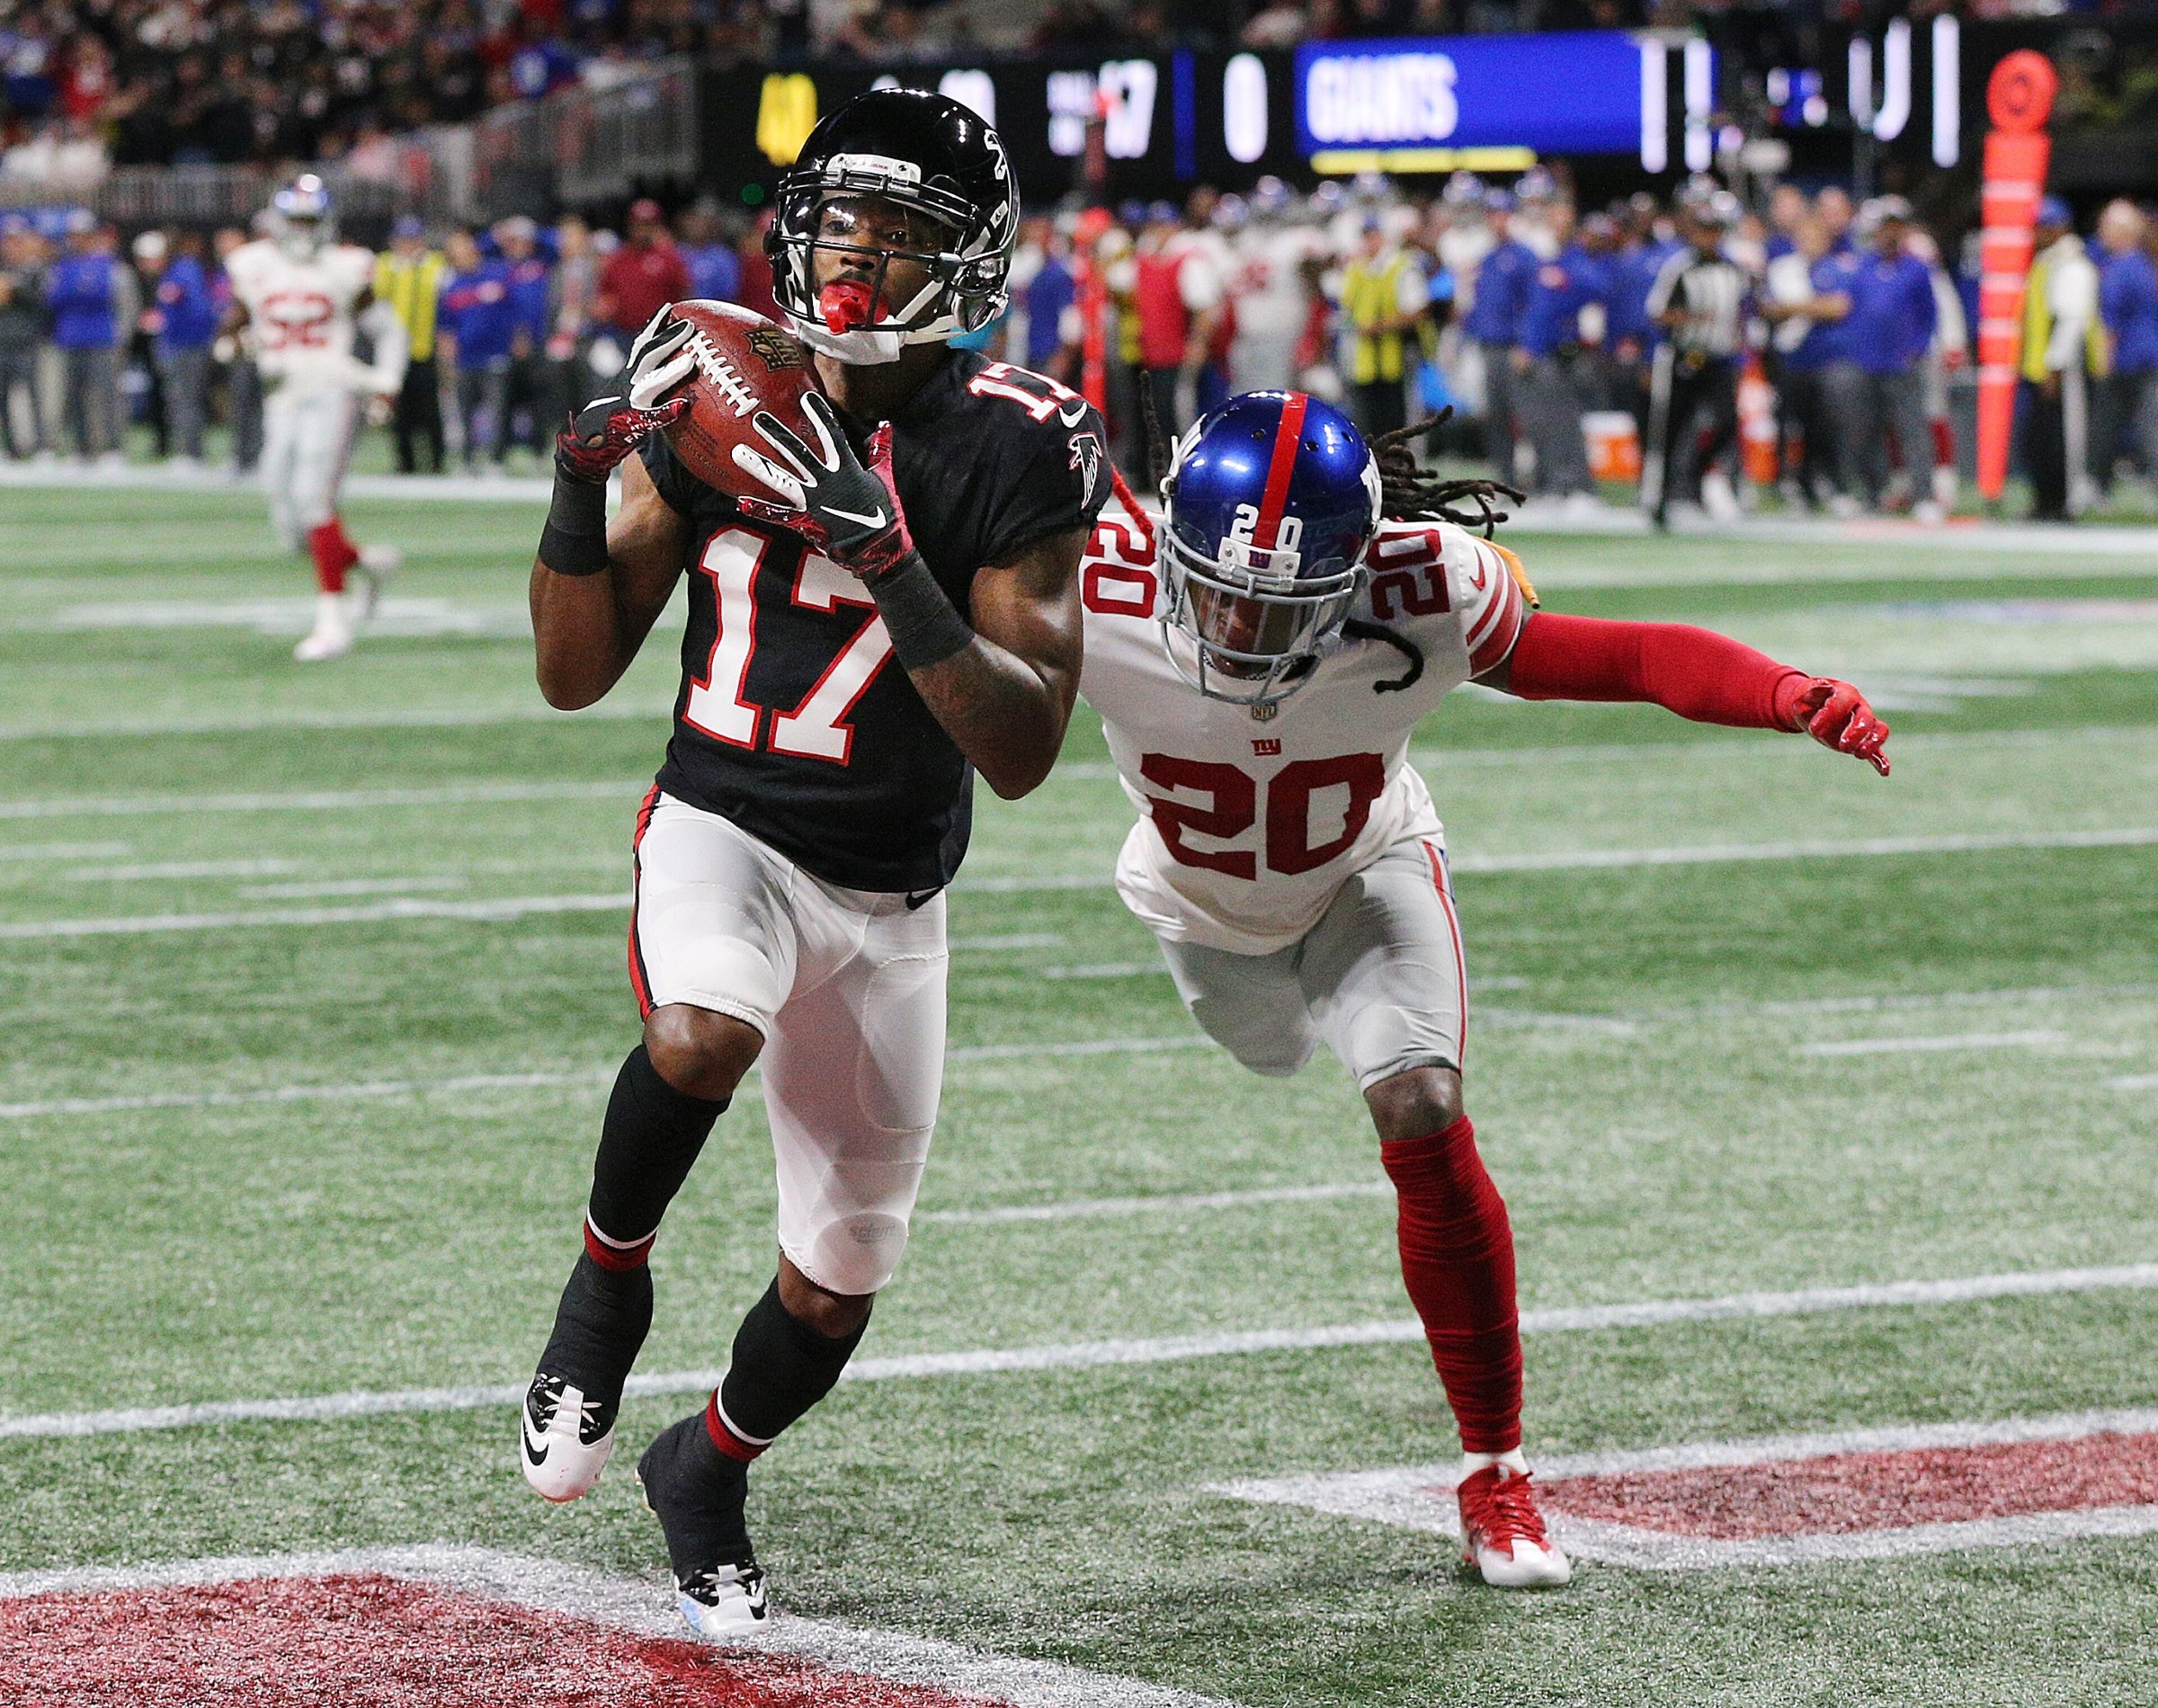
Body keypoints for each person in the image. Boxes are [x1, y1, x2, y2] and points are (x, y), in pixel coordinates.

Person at [1077, 390, 1890, 1588]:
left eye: (1286, 604)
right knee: (1268, 1050)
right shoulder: (1086, 583)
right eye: (1223, 591)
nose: (1244, 627)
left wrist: (1786, 692)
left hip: (1364, 870)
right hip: (1197, 910)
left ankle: (1497, 1471)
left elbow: (1626, 657)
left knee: (1422, 1104)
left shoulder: (1425, 590)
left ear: (1353, 573)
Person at [516, 88, 1108, 1641]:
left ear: (968, 260)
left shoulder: (1020, 438)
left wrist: (889, 557)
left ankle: (703, 1472)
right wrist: (579, 484)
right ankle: (605, 1288)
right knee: (700, 1031)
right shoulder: (726, 384)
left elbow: (1024, 746)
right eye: (840, 220)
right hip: (722, 825)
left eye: (897, 230)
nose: (853, 254)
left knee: (837, 1283)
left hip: (890, 890)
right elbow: (574, 673)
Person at [221, 174, 406, 660]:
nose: (303, 231)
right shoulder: (253, 265)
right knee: (289, 521)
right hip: (281, 397)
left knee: (313, 500)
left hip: (332, 391)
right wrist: (232, 342)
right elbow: (236, 322)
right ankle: (365, 563)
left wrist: (386, 384)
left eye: (311, 221)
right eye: (296, 221)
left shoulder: (345, 267)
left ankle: (333, 623)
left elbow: (389, 331)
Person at [1642, 189, 1749, 528]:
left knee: (1726, 424)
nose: (1709, 238)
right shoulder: (1680, 268)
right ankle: (1659, 499)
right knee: (1672, 429)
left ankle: (1698, 479)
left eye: (1714, 231)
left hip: (1720, 359)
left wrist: (1738, 343)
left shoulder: (1733, 270)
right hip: (1686, 357)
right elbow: (1657, 312)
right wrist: (1692, 318)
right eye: (1704, 230)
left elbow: (1742, 313)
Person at [1839, 198, 1938, 517]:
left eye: (1896, 227)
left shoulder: (1917, 269)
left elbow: (1929, 315)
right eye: (1886, 227)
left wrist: (1917, 349)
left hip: (1903, 363)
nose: (1890, 233)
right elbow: (1853, 311)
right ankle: (1872, 493)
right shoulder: (1864, 267)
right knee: (1865, 431)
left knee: (1913, 431)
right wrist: (1855, 350)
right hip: (1867, 362)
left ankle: (1924, 496)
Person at [1514, 198, 1608, 511]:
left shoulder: (1576, 261)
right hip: (1543, 353)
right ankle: (1553, 483)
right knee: (1544, 422)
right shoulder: (1548, 260)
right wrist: (1528, 346)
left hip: (1567, 354)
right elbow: (1536, 310)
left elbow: (1594, 289)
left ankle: (1579, 486)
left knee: (1566, 422)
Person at [1760, 212, 1854, 510]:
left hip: (1827, 358)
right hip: (1791, 358)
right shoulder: (1783, 268)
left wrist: (1795, 307)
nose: (1812, 243)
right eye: (1806, 237)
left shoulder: (1839, 267)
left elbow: (1839, 308)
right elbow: (1770, 309)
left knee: (1826, 424)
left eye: (1817, 237)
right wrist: (1815, 306)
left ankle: (1823, 481)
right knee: (1788, 423)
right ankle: (1786, 482)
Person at [1459, 188, 1534, 485]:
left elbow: (1533, 304)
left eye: (1502, 214)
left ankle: (1534, 478)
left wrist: (1526, 344)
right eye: (1492, 215)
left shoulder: (1524, 257)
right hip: (1488, 346)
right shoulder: (1487, 258)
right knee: (1496, 416)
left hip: (1512, 347)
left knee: (1524, 415)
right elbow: (1478, 305)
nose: (1497, 221)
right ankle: (1506, 477)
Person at [1339, 215, 1427, 442]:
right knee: (1366, 425)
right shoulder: (1357, 268)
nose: (1370, 242)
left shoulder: (1402, 267)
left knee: (1397, 425)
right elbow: (1346, 309)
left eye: (1375, 236)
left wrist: (1379, 327)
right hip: (1364, 360)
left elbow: (1416, 312)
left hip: (1396, 358)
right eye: (1367, 236)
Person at [436, 226, 516, 473]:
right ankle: (468, 461)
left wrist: (515, 341)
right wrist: (447, 360)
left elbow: (515, 311)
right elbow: (445, 327)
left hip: (495, 354)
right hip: (465, 357)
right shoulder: (451, 284)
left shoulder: (497, 272)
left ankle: (496, 461)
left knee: (497, 410)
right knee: (465, 412)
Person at [2093, 199, 2158, 497]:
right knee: (2149, 422)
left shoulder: (2119, 268)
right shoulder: (2145, 265)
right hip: (2149, 353)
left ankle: (2098, 485)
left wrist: (2104, 360)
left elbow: (2112, 321)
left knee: (2109, 424)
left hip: (2127, 358)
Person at [46, 208, 120, 463]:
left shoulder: (105, 263)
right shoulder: (64, 265)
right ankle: (82, 449)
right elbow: (54, 298)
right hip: (70, 338)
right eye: (74, 235)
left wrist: (76, 292)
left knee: (105, 396)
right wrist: (80, 290)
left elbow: (102, 294)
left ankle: (112, 449)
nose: (77, 240)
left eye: (82, 235)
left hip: (99, 338)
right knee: (74, 397)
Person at [375, 217, 447, 475]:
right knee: (400, 411)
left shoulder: (434, 264)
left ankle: (436, 461)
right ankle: (405, 462)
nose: (408, 246)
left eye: (412, 240)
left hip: (425, 347)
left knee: (430, 409)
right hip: (393, 350)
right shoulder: (386, 264)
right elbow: (378, 293)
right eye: (403, 240)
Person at [146, 227, 217, 464]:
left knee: (186, 400)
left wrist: (195, 336)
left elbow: (200, 310)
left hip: (188, 345)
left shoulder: (185, 271)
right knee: (180, 400)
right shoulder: (173, 272)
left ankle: (191, 453)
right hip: (178, 344)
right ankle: (187, 450)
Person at [497, 215, 554, 465]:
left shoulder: (542, 264)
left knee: (539, 399)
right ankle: (500, 454)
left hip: (538, 342)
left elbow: (558, 242)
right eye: (514, 241)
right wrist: (499, 234)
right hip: (506, 344)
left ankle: (539, 450)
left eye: (524, 240)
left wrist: (533, 231)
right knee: (504, 401)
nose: (519, 245)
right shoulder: (499, 268)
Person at [593, 197, 690, 346]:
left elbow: (684, 295)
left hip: (661, 335)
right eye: (638, 225)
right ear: (630, 226)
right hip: (623, 334)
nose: (642, 230)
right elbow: (606, 297)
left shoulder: (669, 258)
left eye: (648, 225)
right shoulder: (618, 259)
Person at [0, 215, 49, 460]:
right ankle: (10, 448)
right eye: (9, 241)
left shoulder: (36, 270)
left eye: (17, 241)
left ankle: (42, 447)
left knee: (34, 396)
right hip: (3, 342)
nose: (13, 246)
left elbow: (43, 302)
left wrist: (14, 289)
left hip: (28, 342)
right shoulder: (4, 270)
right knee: (3, 398)